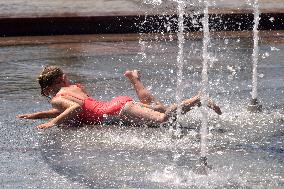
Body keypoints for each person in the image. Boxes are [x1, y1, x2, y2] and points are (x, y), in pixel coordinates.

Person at [17, 66, 221, 129]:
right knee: (158, 107)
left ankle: (198, 100)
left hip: (116, 110)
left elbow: (74, 109)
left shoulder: (58, 98)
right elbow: (69, 107)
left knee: (163, 119)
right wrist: (36, 115)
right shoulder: (73, 88)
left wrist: (52, 122)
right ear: (62, 79)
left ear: (52, 85)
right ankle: (135, 79)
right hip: (117, 104)